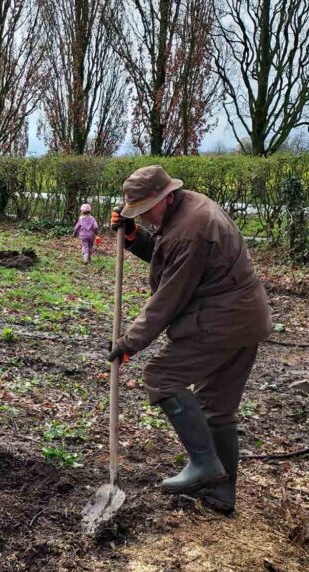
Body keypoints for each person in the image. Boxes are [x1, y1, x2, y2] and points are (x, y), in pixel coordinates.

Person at [109, 165, 271, 514]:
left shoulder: (190, 228)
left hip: (221, 321)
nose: (146, 217)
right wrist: (136, 237)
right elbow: (173, 257)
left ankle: (204, 465)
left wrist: (130, 342)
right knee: (217, 408)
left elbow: (170, 295)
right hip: (245, 317)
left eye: (146, 211)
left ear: (166, 198)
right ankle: (220, 493)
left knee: (161, 376)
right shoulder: (189, 207)